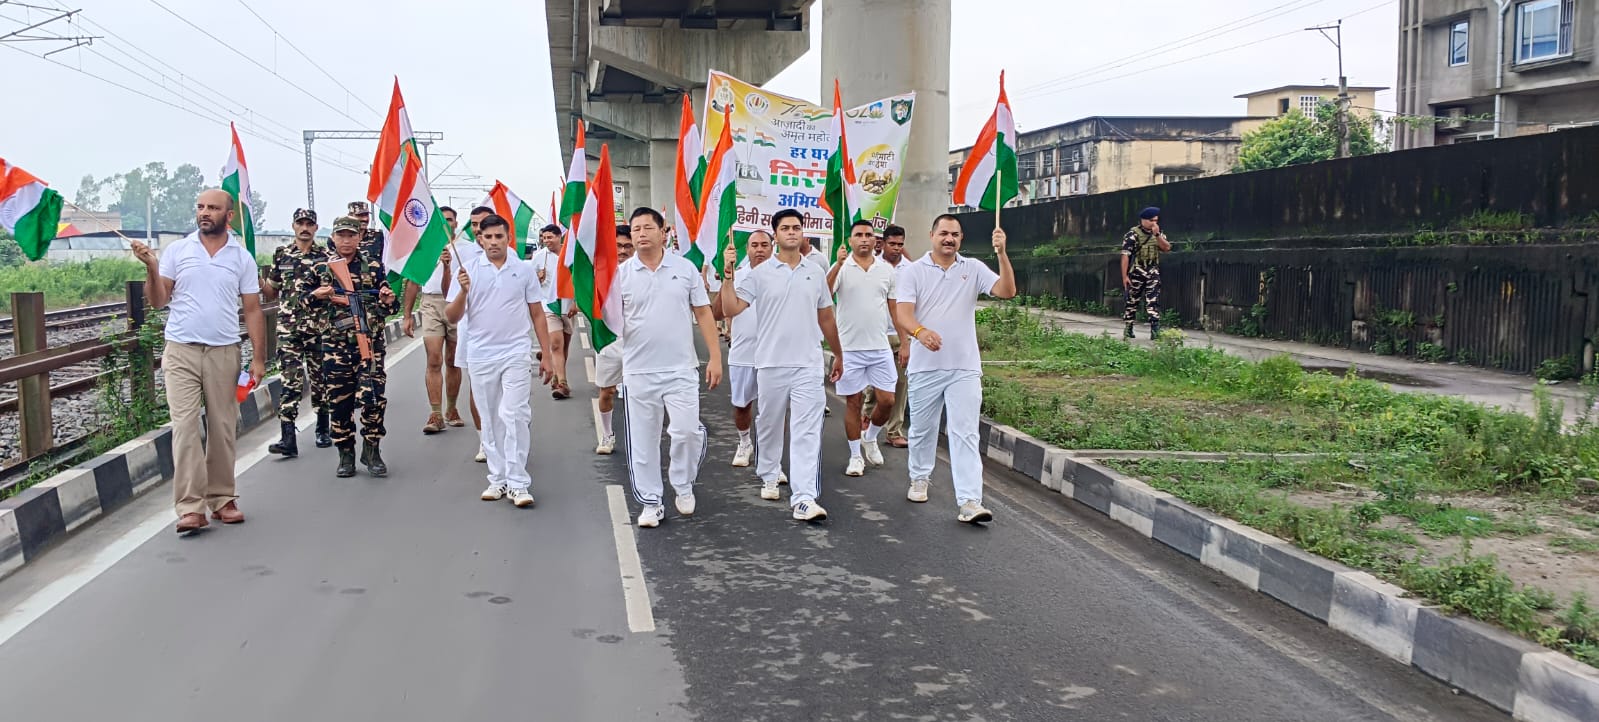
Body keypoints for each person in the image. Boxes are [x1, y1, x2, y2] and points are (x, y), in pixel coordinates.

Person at [129, 189, 266, 534]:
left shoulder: (241, 258)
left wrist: (258, 358)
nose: (205, 213)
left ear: (228, 216)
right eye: (201, 207)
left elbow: (252, 309)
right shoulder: (178, 251)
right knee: (186, 427)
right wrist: (152, 267)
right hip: (181, 351)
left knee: (222, 426)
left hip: (224, 351)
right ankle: (190, 507)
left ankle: (222, 498)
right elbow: (158, 300)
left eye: (213, 208)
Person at [720, 209, 844, 522]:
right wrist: (728, 275)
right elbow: (731, 308)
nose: (791, 232)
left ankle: (804, 498)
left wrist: (838, 353)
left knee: (807, 431)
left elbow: (826, 316)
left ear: (803, 233)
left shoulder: (815, 271)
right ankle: (770, 473)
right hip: (771, 363)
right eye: (785, 228)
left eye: (796, 227)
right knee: (770, 424)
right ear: (776, 235)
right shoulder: (759, 273)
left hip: (808, 364)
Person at [893, 215, 1017, 524]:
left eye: (955, 234)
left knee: (965, 432)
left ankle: (970, 501)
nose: (949, 239)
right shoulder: (913, 271)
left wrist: (1002, 253)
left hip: (964, 366)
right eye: (944, 233)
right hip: (925, 367)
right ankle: (919, 478)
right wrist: (920, 332)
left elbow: (1006, 291)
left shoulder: (972, 268)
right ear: (932, 235)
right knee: (922, 430)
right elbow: (903, 313)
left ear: (961, 239)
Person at [616, 207, 723, 528]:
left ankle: (683, 482)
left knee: (687, 431)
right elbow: (605, 317)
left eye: (647, 227)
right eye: (636, 229)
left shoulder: (684, 268)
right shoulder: (620, 274)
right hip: (639, 370)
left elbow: (703, 312)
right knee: (644, 441)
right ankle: (651, 502)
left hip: (680, 368)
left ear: (663, 232)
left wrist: (715, 357)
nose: (641, 233)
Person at [446, 213, 553, 507]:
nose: (493, 242)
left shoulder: (523, 270)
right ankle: (498, 478)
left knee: (515, 413)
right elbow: (452, 316)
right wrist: (463, 291)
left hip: (515, 352)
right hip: (481, 354)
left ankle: (518, 482)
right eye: (488, 237)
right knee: (490, 417)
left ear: (508, 238)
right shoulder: (468, 270)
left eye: (499, 237)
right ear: (480, 239)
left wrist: (547, 355)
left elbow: (537, 313)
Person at [304, 216, 398, 478]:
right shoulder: (321, 268)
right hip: (335, 347)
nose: (346, 241)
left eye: (351, 235)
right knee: (340, 403)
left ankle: (372, 450)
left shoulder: (373, 267)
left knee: (373, 398)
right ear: (333, 237)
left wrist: (387, 300)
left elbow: (390, 306)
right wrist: (316, 295)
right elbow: (302, 302)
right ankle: (345, 454)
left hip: (369, 345)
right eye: (341, 235)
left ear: (359, 237)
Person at [827, 219, 898, 477]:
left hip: (879, 347)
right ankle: (856, 456)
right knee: (853, 403)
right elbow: (824, 294)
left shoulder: (886, 270)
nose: (864, 239)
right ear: (850, 240)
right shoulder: (842, 267)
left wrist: (906, 341)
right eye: (859, 235)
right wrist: (838, 264)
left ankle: (870, 436)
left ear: (875, 240)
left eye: (869, 235)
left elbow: (894, 307)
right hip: (850, 349)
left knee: (887, 401)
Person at [263, 208, 331, 457]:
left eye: (309, 224)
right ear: (293, 226)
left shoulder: (325, 257)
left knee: (320, 380)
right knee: (290, 381)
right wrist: (256, 281)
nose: (304, 228)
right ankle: (288, 437)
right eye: (300, 223)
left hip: (317, 328)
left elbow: (332, 291)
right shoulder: (282, 254)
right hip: (289, 329)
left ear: (315, 228)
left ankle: (323, 428)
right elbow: (272, 291)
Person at [401, 206, 473, 433]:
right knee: (434, 359)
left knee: (453, 359)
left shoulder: (468, 249)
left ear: (456, 223)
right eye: (441, 219)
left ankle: (451, 409)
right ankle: (435, 413)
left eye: (449, 219)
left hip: (456, 302)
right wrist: (407, 315)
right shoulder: (424, 248)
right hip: (431, 303)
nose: (446, 223)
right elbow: (413, 281)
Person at [709, 230, 774, 469]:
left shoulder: (783, 276)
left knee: (774, 409)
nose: (759, 249)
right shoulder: (738, 276)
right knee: (742, 405)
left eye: (764, 245)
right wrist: (727, 277)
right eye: (754, 245)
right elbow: (717, 313)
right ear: (747, 249)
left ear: (772, 247)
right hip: (744, 353)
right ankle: (745, 442)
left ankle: (771, 456)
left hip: (774, 355)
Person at [862, 224, 911, 448]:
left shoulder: (910, 269)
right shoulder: (872, 266)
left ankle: (894, 431)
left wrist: (907, 339)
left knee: (900, 384)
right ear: (883, 243)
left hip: (901, 334)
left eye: (900, 244)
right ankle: (866, 417)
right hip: (875, 334)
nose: (896, 248)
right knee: (875, 386)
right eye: (892, 244)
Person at [593, 223, 635, 454]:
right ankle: (607, 434)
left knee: (639, 393)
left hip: (638, 341)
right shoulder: (602, 272)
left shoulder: (640, 272)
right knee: (606, 391)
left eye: (628, 246)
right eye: (618, 246)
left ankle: (638, 436)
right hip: (609, 339)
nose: (623, 251)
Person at [456, 206, 493, 463]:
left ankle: (503, 437)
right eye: (474, 224)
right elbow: (450, 298)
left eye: (483, 223)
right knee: (477, 387)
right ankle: (484, 439)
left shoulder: (509, 255)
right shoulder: (463, 253)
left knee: (503, 393)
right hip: (472, 334)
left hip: (503, 338)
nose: (478, 229)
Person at [1122, 206, 1172, 339]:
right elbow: (1125, 256)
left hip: (1152, 270)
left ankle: (1155, 329)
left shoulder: (1158, 233)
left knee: (1153, 300)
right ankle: (1128, 327)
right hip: (1137, 270)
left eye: (1156, 220)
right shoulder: (1132, 234)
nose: (1154, 223)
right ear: (1143, 220)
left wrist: (1157, 235)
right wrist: (1125, 276)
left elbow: (1167, 248)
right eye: (1151, 220)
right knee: (1132, 300)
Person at [347, 200, 386, 276]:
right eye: (360, 215)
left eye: (366, 215)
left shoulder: (378, 236)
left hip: (374, 280)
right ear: (350, 216)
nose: (365, 219)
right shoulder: (339, 238)